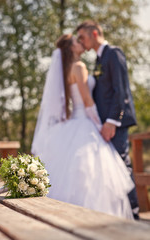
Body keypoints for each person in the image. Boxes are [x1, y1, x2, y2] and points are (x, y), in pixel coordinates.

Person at [31, 34, 134, 219]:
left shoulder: (65, 70)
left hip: (72, 123)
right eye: (77, 41)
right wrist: (100, 125)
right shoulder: (79, 67)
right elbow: (87, 101)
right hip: (85, 121)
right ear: (71, 48)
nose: (81, 43)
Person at [76, 20, 139, 219]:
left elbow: (122, 91)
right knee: (111, 168)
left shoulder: (114, 53)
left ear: (94, 34)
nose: (81, 42)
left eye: (82, 37)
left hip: (115, 123)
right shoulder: (98, 59)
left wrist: (112, 121)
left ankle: (134, 212)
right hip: (103, 125)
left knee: (121, 165)